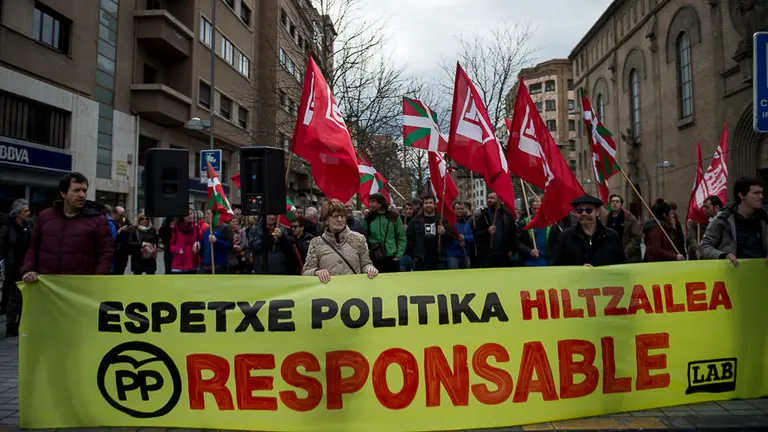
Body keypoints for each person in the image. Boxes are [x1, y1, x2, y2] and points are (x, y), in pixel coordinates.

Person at [21, 172, 114, 282]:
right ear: (63, 193)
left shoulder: (98, 220)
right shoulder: (45, 217)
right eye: (76, 190)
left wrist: (98, 278)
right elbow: (34, 248)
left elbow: (106, 253)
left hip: (82, 288)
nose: (82, 195)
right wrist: (28, 270)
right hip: (49, 286)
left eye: (84, 190)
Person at [303, 199, 378, 283]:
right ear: (326, 220)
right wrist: (316, 272)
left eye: (342, 216)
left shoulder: (359, 239)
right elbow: (306, 272)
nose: (339, 219)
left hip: (354, 292)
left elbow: (366, 264)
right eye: (335, 216)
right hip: (329, 293)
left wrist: (370, 269)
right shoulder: (316, 243)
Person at [701, 177, 767, 266]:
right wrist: (723, 256)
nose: (761, 197)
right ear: (741, 195)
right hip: (732, 274)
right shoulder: (722, 219)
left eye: (761, 193)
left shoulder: (765, 218)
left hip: (761, 275)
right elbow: (704, 247)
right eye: (756, 193)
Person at [551, 194, 626, 267]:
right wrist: (579, 269)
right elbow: (556, 265)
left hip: (603, 279)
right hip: (577, 279)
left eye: (588, 210)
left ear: (597, 212)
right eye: (580, 210)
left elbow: (621, 264)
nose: (584, 213)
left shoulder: (611, 236)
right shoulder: (565, 236)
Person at [0, 199, 32, 336]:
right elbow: (2, 248)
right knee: (13, 297)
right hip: (13, 266)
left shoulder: (29, 226)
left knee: (25, 297)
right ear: (18, 213)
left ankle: (21, 322)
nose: (28, 213)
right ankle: (11, 325)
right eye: (25, 211)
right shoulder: (7, 227)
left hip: (27, 265)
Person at [406, 195, 455, 271]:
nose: (428, 205)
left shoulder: (441, 219)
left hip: (439, 260)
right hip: (421, 261)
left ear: (434, 205)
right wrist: (414, 255)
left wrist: (444, 232)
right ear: (423, 205)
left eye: (430, 203)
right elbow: (408, 238)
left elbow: (451, 238)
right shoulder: (416, 220)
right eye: (426, 203)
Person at [364, 194, 406, 273]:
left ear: (381, 203)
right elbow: (363, 238)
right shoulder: (368, 218)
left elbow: (402, 237)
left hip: (392, 258)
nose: (370, 204)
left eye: (373, 202)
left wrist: (398, 256)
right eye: (370, 202)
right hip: (374, 259)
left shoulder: (394, 216)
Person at [474, 193, 517, 268]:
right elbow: (476, 234)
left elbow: (513, 234)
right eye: (488, 198)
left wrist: (512, 249)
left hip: (503, 255)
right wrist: (487, 231)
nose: (489, 200)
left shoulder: (507, 215)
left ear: (499, 200)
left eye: (492, 198)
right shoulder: (483, 215)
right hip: (488, 256)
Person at [517, 198, 559, 266]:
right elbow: (517, 242)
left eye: (540, 208)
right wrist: (529, 251)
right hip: (528, 262)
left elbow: (558, 244)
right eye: (535, 208)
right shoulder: (524, 223)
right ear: (531, 209)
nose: (537, 211)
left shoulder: (553, 224)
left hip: (548, 262)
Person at [603, 194, 643, 263]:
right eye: (612, 201)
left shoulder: (630, 218)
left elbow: (636, 238)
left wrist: (626, 253)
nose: (614, 203)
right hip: (611, 256)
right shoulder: (606, 219)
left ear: (621, 204)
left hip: (628, 257)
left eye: (617, 201)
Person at [686, 195, 723, 260]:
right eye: (703, 207)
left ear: (717, 207)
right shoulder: (707, 221)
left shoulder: (724, 221)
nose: (704, 209)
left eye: (707, 207)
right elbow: (691, 238)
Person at [169, 210, 201, 274]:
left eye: (191, 214)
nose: (190, 216)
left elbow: (201, 240)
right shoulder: (174, 228)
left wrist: (198, 243)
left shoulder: (196, 227)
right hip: (178, 266)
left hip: (193, 264)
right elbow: (169, 245)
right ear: (182, 217)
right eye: (187, 215)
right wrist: (179, 250)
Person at [446, 201, 474, 270]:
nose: (460, 210)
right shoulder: (449, 223)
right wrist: (458, 243)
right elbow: (448, 238)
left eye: (462, 209)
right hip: (453, 255)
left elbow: (473, 238)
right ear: (453, 210)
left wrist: (465, 238)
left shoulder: (467, 223)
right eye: (458, 209)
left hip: (465, 255)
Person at [111, 206, 132, 275]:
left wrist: (129, 228)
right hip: (114, 253)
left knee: (121, 272)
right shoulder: (110, 223)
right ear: (114, 214)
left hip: (124, 253)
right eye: (120, 215)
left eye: (123, 215)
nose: (122, 217)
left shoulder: (124, 220)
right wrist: (120, 230)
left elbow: (131, 227)